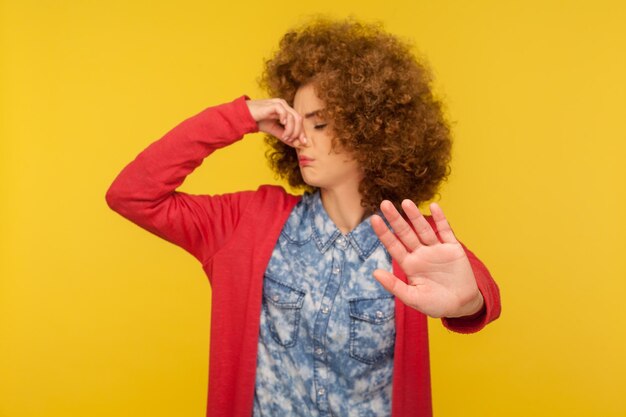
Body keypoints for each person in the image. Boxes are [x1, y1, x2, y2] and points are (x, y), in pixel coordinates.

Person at [106, 18, 500, 417]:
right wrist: (241, 117)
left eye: (321, 122)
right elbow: (132, 195)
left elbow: (475, 296)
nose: (300, 138)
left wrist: (469, 302)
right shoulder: (247, 223)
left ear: (374, 129)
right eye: (295, 120)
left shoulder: (410, 237)